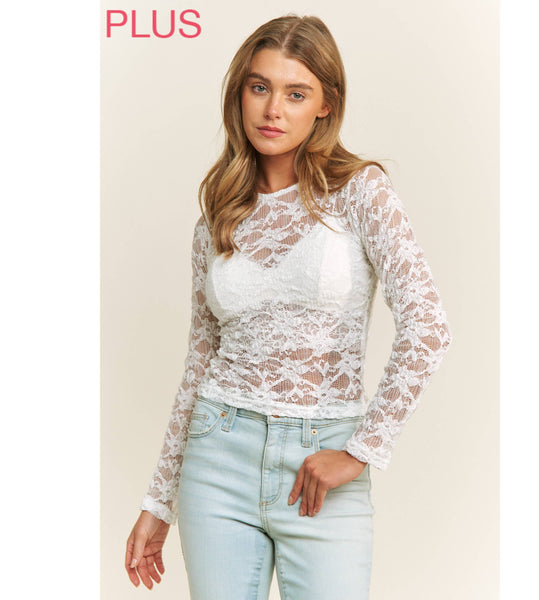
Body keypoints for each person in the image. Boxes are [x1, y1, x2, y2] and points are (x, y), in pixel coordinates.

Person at [125, 13, 452, 600]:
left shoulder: (360, 193)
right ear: (240, 94)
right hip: (217, 457)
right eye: (260, 87)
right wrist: (158, 502)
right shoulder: (216, 220)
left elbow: (428, 326)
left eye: (296, 93)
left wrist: (360, 450)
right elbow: (199, 363)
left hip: (322, 461)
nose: (273, 109)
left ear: (326, 105)